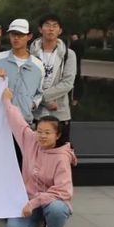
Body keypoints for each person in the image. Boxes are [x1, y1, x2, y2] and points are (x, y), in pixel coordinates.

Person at [3, 88, 76, 227]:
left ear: (57, 135)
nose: (42, 136)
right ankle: (40, 225)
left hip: (52, 201)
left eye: (47, 133)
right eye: (40, 131)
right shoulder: (31, 141)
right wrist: (6, 100)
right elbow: (18, 122)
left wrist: (33, 203)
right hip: (31, 200)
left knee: (57, 209)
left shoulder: (62, 158)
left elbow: (63, 191)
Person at [0, 19, 44, 126]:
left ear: (29, 36)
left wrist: (31, 105)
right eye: (13, 34)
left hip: (24, 122)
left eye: (20, 35)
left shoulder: (38, 65)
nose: (16, 38)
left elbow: (39, 92)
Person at [30, 14, 77, 145]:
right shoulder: (30, 54)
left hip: (60, 112)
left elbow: (68, 83)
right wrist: (46, 102)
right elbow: (26, 83)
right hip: (35, 114)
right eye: (47, 25)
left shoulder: (68, 54)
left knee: (61, 151)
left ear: (60, 30)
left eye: (55, 26)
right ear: (40, 29)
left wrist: (42, 98)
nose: (51, 29)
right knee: (34, 152)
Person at [69, 33, 85, 106]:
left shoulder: (73, 43)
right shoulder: (81, 43)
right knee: (78, 68)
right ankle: (77, 74)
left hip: (73, 59)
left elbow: (70, 51)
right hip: (78, 59)